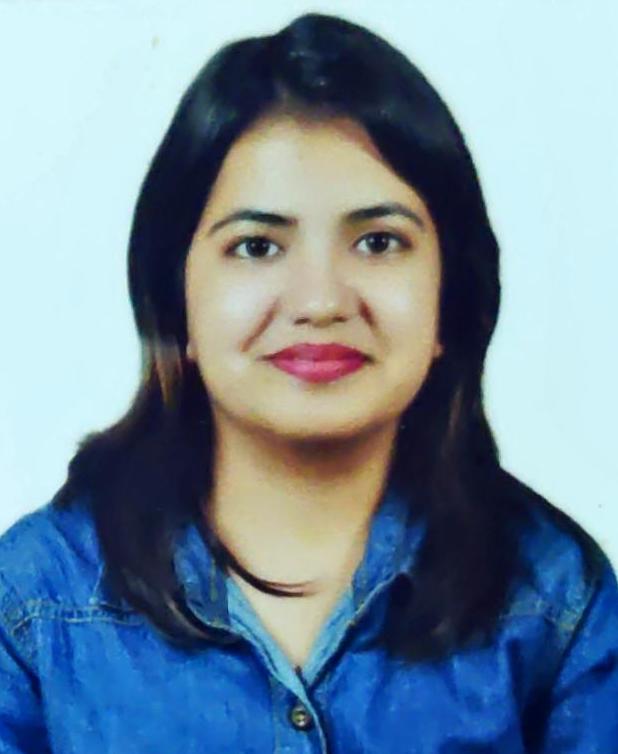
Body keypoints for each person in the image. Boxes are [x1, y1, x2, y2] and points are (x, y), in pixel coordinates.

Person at [1, 11, 616, 753]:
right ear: (175, 298)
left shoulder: (557, 600)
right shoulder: (35, 603)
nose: (320, 301)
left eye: (379, 242)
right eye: (257, 246)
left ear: (451, 296)